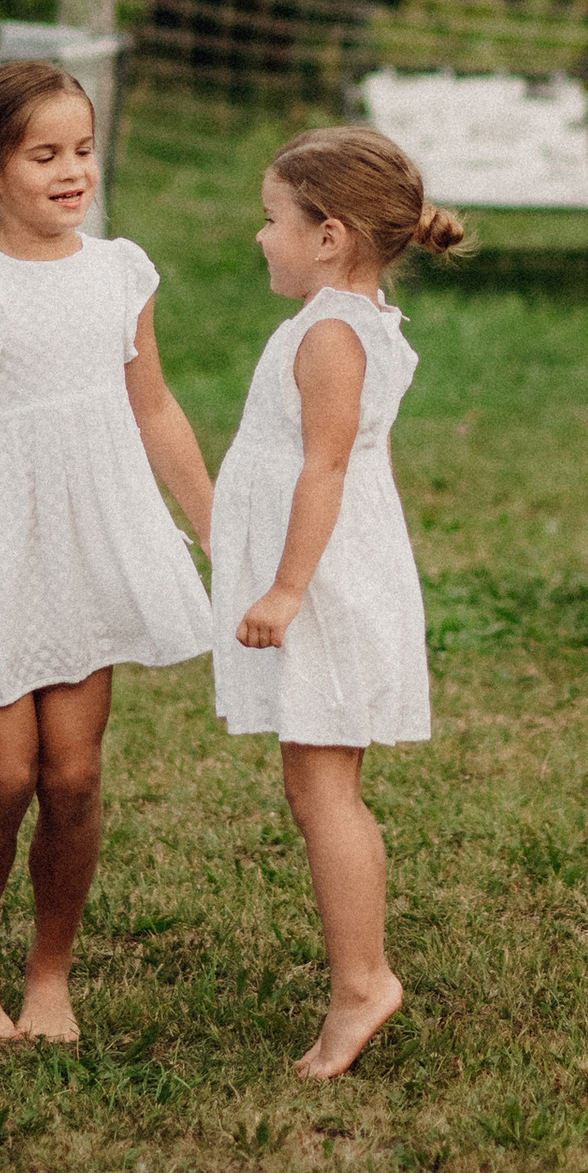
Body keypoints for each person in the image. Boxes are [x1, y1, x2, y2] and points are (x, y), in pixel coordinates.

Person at [0, 62, 214, 1044]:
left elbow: (155, 408)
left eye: (85, 150)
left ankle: (50, 973)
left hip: (88, 545)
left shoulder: (121, 272)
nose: (73, 172)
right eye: (44, 155)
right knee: (4, 778)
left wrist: (215, 529)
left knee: (73, 778)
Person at [211, 128, 463, 1082]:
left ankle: (363, 983)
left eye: (273, 218)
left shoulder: (330, 335)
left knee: (325, 791)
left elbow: (323, 467)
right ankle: (360, 977)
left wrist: (285, 590)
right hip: (336, 571)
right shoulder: (354, 319)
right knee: (317, 784)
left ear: (329, 236)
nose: (259, 235)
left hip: (321, 585)